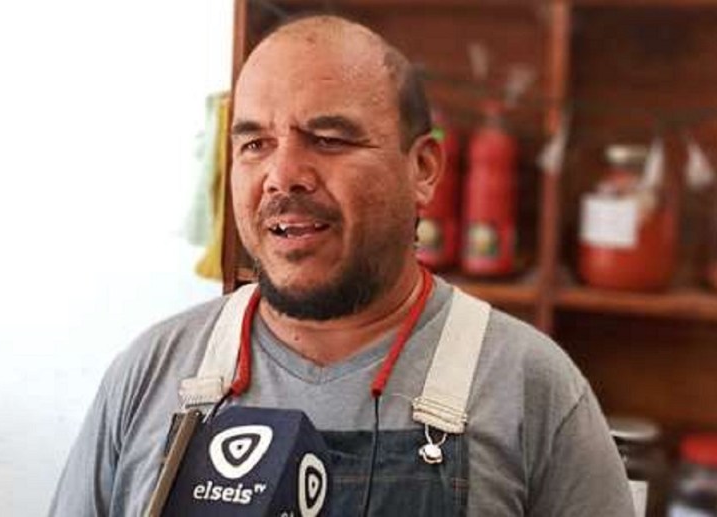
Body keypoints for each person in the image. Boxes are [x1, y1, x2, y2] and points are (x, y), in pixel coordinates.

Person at [49, 15, 634, 516]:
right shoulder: (152, 375)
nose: (282, 176)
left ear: (423, 169)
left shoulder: (530, 389)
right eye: (255, 144)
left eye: (328, 138)